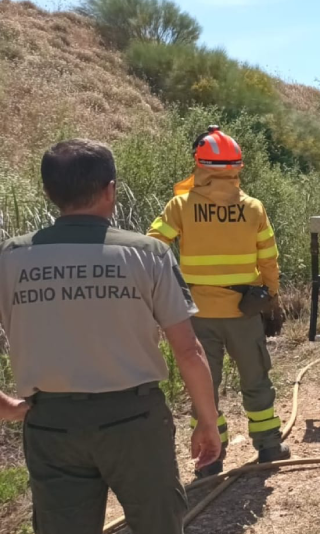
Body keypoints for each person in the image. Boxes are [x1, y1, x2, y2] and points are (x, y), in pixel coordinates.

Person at [0, 139, 222, 534]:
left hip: (52, 424)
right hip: (135, 422)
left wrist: (4, 405)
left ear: (49, 192)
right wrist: (207, 421)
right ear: (110, 190)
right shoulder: (148, 254)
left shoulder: (11, 257)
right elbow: (188, 351)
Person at [147, 126, 288, 478]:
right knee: (256, 378)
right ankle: (269, 445)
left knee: (204, 387)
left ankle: (212, 459)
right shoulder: (253, 208)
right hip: (244, 312)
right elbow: (269, 258)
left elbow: (151, 249)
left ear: (200, 164)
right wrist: (271, 296)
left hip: (196, 314)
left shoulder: (180, 206)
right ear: (237, 167)